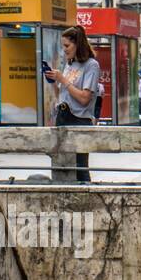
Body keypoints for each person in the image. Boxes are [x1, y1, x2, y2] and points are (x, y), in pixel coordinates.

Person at [44, 24, 100, 182]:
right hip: (63, 116)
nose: (64, 50)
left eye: (67, 45)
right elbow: (62, 96)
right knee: (62, 166)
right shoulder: (69, 65)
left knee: (80, 168)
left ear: (78, 44)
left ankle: (87, 200)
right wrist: (54, 82)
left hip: (79, 119)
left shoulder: (91, 65)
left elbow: (84, 99)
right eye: (63, 46)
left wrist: (63, 79)